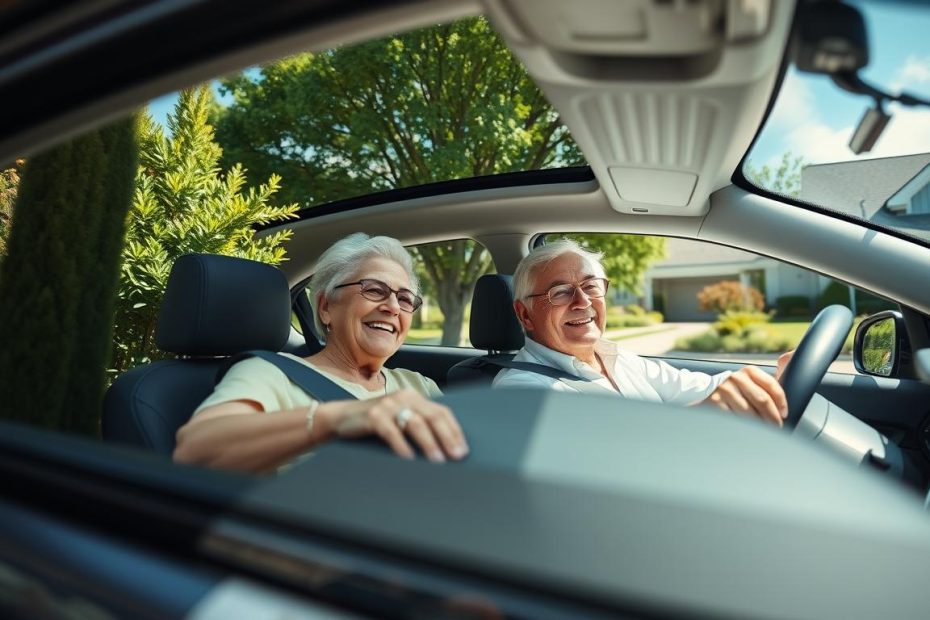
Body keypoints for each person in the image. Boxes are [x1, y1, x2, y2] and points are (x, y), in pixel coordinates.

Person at [173, 233, 468, 473]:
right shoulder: (270, 373)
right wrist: (337, 418)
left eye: (404, 299)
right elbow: (194, 453)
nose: (392, 307)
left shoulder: (418, 385)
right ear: (326, 307)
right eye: (374, 290)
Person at [493, 240, 791, 426]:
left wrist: (775, 381)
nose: (582, 301)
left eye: (591, 286)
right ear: (525, 315)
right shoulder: (519, 390)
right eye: (560, 292)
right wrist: (703, 418)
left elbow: (702, 386)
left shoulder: (619, 359)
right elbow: (611, 455)